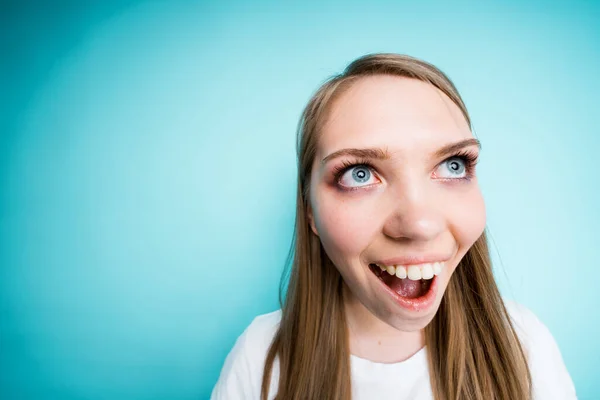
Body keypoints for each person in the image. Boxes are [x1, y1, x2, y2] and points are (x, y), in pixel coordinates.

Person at [210, 53, 577, 400]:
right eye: (360, 174)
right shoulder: (261, 357)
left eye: (453, 165)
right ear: (310, 212)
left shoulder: (525, 344)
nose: (419, 225)